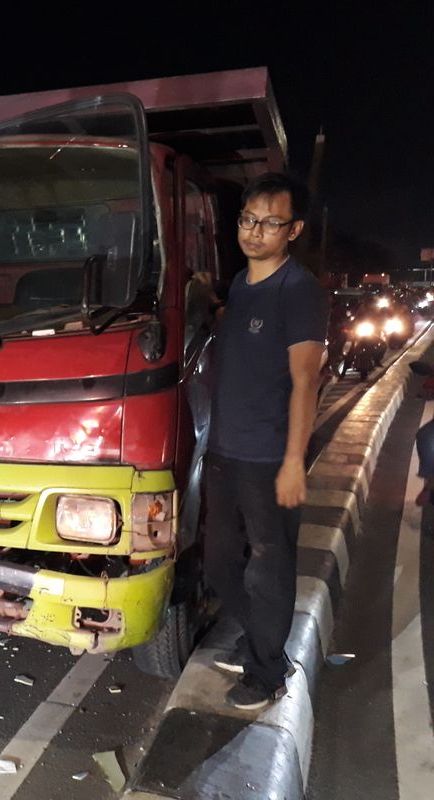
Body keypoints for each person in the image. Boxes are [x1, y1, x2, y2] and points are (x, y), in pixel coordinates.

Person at [204, 173, 329, 711]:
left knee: (269, 564)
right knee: (218, 561)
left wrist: (294, 462)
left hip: (267, 455)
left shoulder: (300, 291)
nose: (255, 232)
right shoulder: (239, 284)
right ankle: (256, 639)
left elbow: (306, 382)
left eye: (270, 223)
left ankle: (266, 671)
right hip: (225, 450)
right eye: (247, 220)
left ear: (293, 229)